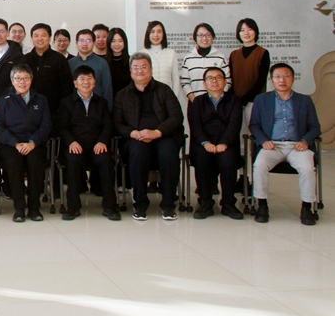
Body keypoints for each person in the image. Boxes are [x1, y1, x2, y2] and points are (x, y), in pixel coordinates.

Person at [114, 52, 185, 221]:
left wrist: (157, 132)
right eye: (136, 67)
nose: (140, 71)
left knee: (168, 153)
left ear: (151, 70)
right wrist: (133, 133)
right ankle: (140, 204)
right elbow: (117, 122)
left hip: (163, 136)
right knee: (138, 152)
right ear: (130, 71)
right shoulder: (122, 95)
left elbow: (176, 117)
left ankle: (168, 204)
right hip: (136, 138)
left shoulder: (164, 90)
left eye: (144, 67)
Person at [250, 63, 320, 226]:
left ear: (293, 78)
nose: (282, 80)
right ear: (271, 80)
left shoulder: (305, 100)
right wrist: (263, 141)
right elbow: (254, 124)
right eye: (277, 77)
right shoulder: (262, 99)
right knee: (259, 165)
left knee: (307, 168)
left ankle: (307, 207)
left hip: (297, 146)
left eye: (286, 76)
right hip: (272, 145)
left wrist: (305, 141)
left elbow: (315, 127)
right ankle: (262, 205)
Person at [56, 65, 118, 221]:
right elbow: (62, 127)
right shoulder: (66, 102)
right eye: (82, 79)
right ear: (75, 83)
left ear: (95, 82)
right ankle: (73, 207)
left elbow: (108, 126)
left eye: (89, 78)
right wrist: (71, 142)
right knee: (73, 161)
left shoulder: (102, 102)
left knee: (106, 161)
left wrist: (102, 141)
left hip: (97, 145)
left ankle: (110, 206)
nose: (86, 82)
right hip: (75, 145)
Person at [0, 64, 51, 222]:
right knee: (14, 162)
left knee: (35, 161)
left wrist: (32, 143)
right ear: (12, 81)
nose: (22, 82)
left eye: (25, 78)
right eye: (18, 78)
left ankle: (34, 207)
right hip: (11, 145)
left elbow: (46, 125)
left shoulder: (41, 100)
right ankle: (19, 207)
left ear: (31, 80)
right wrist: (15, 143)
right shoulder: (3, 101)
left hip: (35, 144)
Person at [188, 67, 244, 220]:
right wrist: (205, 142)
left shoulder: (234, 100)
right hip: (203, 143)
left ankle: (228, 203)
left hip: (226, 142)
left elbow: (234, 125)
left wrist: (224, 143)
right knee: (202, 160)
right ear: (204, 83)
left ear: (225, 82)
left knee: (228, 161)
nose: (214, 81)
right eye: (210, 78)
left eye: (218, 78)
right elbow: (195, 125)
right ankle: (205, 202)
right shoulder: (198, 101)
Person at [229, 18, 270, 138]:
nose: (246, 33)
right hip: (236, 102)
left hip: (254, 101)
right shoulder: (234, 54)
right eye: (242, 30)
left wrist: (245, 100)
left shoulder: (263, 53)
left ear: (256, 32)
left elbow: (261, 80)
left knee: (254, 133)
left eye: (250, 29)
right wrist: (235, 100)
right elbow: (230, 79)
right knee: (237, 134)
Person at [26, 23, 74, 117]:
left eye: (43, 35)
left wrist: (62, 108)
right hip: (28, 109)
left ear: (50, 37)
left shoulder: (59, 59)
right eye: (36, 35)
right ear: (32, 38)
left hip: (53, 110)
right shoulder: (25, 59)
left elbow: (67, 87)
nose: (40, 38)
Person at [181, 23, 230, 103]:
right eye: (200, 35)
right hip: (195, 102)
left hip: (218, 103)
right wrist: (195, 100)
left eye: (208, 35)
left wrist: (218, 98)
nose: (204, 38)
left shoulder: (220, 57)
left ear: (213, 37)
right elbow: (185, 82)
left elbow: (227, 80)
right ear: (195, 38)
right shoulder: (188, 58)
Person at [69, 29, 113, 110]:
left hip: (98, 108)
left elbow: (107, 89)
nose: (85, 44)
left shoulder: (102, 63)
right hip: (75, 108)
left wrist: (108, 110)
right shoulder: (70, 63)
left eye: (88, 41)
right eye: (81, 41)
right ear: (76, 43)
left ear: (94, 43)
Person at [143, 21, 184, 104]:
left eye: (159, 31)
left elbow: (175, 78)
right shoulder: (142, 54)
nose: (156, 35)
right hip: (148, 99)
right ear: (148, 34)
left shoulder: (171, 53)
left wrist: (174, 98)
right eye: (152, 32)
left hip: (167, 99)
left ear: (163, 34)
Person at [107, 27, 130, 98]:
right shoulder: (104, 62)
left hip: (127, 99)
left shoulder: (131, 61)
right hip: (109, 99)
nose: (117, 44)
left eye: (120, 41)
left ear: (124, 42)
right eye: (113, 41)